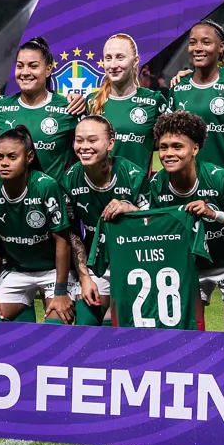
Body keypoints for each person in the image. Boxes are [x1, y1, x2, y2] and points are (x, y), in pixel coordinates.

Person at [146, 110, 224, 332]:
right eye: (164, 147)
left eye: (177, 146)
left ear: (195, 148)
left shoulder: (218, 177)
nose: (168, 153)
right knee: (188, 330)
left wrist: (215, 214)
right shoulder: (157, 183)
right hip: (190, 266)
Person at [0, 125, 76, 324]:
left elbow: (62, 241)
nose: (4, 163)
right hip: (18, 270)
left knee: (54, 327)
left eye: (12, 157)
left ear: (28, 158)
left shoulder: (46, 186)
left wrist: (61, 291)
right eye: (0, 156)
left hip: (53, 271)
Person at [61, 115, 150, 325]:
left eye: (92, 140)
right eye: (79, 140)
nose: (84, 147)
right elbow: (72, 233)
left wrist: (131, 209)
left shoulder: (134, 176)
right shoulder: (69, 179)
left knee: (118, 323)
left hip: (136, 263)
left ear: (110, 144)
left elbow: (155, 228)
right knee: (85, 322)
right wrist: (84, 277)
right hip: (97, 264)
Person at [167, 19, 224, 175]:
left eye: (206, 42)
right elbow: (168, 139)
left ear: (221, 47)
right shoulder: (178, 87)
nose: (197, 48)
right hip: (185, 184)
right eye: (192, 43)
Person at [90, 206, 208, 329]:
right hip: (181, 329)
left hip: (131, 329)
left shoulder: (187, 219)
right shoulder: (110, 224)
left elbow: (97, 266)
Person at [0, 37, 79, 175]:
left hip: (53, 195)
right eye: (20, 66)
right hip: (9, 196)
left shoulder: (69, 107)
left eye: (33, 66)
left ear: (48, 69)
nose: (25, 72)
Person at [90, 33, 168, 171]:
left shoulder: (154, 101)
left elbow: (174, 144)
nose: (113, 65)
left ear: (136, 60)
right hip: (98, 190)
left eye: (120, 57)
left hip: (138, 190)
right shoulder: (91, 101)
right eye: (108, 58)